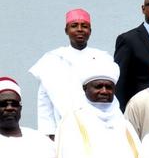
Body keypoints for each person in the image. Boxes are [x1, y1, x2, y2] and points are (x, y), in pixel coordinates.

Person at [29, 9, 113, 137]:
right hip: (64, 128)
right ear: (66, 30)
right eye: (74, 26)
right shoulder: (52, 59)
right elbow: (44, 100)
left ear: (90, 31)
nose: (80, 29)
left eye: (84, 26)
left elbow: (110, 97)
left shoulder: (103, 58)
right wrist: (48, 133)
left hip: (99, 127)